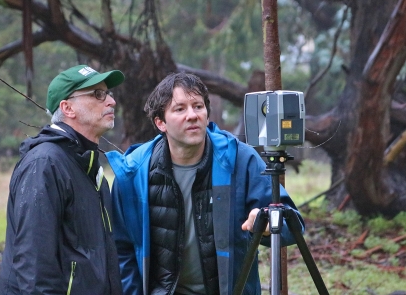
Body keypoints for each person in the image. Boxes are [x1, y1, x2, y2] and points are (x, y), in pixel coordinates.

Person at [106, 72, 305, 295]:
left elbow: (293, 226)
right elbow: (121, 249)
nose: (192, 115)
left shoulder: (238, 159)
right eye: (180, 109)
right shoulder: (135, 171)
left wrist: (266, 225)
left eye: (198, 106)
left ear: (207, 114)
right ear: (160, 122)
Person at [0, 65, 125, 295]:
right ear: (67, 108)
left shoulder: (92, 170)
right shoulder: (45, 164)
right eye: (98, 94)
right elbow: (33, 267)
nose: (111, 102)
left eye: (109, 93)